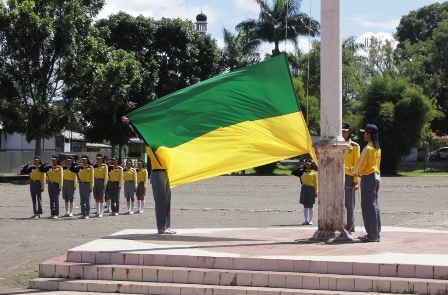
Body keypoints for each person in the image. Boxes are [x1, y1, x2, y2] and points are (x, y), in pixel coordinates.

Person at [121, 115, 176, 234]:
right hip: (157, 173)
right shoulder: (150, 145)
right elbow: (141, 133)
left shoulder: (164, 145)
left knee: (167, 200)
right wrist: (131, 122)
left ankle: (167, 225)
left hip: (166, 173)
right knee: (161, 201)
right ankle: (161, 227)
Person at [353, 124, 382, 242]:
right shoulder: (377, 148)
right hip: (376, 176)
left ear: (369, 134)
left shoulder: (367, 148)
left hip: (368, 177)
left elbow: (360, 165)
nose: (364, 135)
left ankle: (371, 234)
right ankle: (376, 232)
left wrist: (354, 172)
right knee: (375, 205)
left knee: (367, 206)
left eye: (365, 133)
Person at [342, 122, 360, 233]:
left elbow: (357, 164)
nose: (343, 133)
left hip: (349, 176)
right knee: (338, 202)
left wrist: (356, 181)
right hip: (337, 176)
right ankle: (340, 225)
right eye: (341, 131)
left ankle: (350, 226)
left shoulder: (354, 146)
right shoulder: (335, 144)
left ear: (350, 132)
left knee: (349, 203)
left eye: (345, 131)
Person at [291, 159, 318, 225]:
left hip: (311, 188)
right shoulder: (302, 172)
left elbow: (315, 182)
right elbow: (293, 172)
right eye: (306, 164)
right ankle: (306, 220)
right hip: (304, 188)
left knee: (311, 204)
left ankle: (310, 220)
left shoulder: (314, 172)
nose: (307, 165)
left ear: (311, 164)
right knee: (305, 205)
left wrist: (316, 191)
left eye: (309, 164)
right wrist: (300, 167)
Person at [71, 154, 94, 219]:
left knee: (87, 200)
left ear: (87, 160)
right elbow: (72, 169)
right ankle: (83, 213)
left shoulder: (90, 167)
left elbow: (92, 178)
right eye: (82, 159)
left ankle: (87, 214)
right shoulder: (79, 167)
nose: (83, 160)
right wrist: (75, 162)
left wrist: (91, 186)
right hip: (81, 184)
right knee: (82, 200)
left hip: (87, 184)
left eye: (85, 159)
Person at [93, 154, 109, 218]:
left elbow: (106, 176)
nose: (98, 160)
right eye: (97, 158)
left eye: (99, 158)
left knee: (101, 197)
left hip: (101, 181)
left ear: (102, 159)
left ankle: (101, 212)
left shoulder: (104, 166)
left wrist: (105, 184)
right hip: (95, 181)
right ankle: (97, 211)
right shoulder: (95, 166)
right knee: (96, 197)